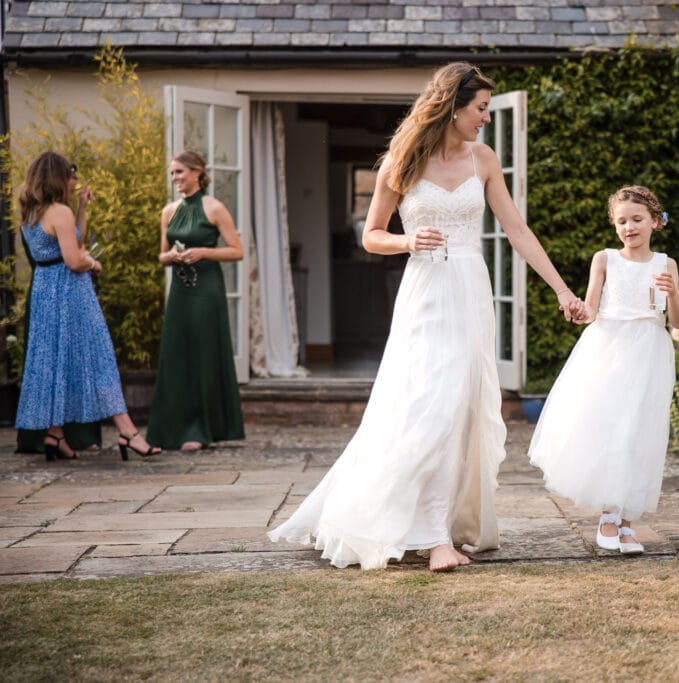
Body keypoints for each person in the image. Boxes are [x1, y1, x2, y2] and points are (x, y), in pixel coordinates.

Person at [269, 62, 585, 572]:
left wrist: (563, 290)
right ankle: (428, 535)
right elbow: (371, 235)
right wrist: (408, 239)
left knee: (459, 410)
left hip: (470, 291)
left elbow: (518, 231)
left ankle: (439, 529)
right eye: (480, 108)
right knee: (427, 406)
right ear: (452, 107)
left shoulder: (484, 159)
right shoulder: (402, 160)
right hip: (425, 294)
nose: (486, 117)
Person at [528, 185, 679, 554]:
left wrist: (673, 293)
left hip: (649, 352)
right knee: (612, 429)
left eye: (637, 219)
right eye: (621, 221)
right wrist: (577, 311)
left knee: (640, 433)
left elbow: (678, 322)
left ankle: (628, 521)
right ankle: (608, 518)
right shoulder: (604, 259)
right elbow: (591, 310)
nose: (629, 227)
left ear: (654, 221)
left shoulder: (666, 265)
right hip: (609, 350)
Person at [14, 151, 161, 461]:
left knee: (56, 361)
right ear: (57, 177)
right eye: (71, 176)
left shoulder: (30, 212)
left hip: (45, 292)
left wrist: (82, 208)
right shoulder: (59, 212)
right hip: (71, 292)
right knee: (99, 356)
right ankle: (128, 431)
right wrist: (93, 263)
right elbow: (74, 258)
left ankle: (55, 434)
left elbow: (71, 241)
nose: (75, 182)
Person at [147, 151, 246, 452]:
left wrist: (204, 252)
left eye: (179, 172)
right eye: (172, 173)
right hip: (180, 291)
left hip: (206, 290)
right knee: (177, 355)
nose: (174, 178)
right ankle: (171, 428)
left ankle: (201, 429)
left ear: (197, 172)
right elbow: (161, 255)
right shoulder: (169, 211)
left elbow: (237, 251)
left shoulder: (214, 208)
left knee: (203, 355)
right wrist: (172, 256)